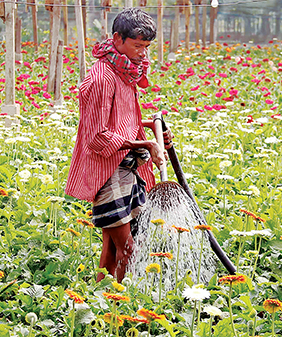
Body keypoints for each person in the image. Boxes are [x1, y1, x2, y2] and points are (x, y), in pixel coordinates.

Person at [65, 8, 172, 283]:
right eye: (137, 46)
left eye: (146, 47)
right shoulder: (102, 78)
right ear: (117, 39)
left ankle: (100, 300)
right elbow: (98, 138)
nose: (143, 54)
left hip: (125, 168)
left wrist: (152, 128)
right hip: (107, 173)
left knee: (113, 247)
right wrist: (146, 143)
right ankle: (119, 303)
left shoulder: (124, 71)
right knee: (128, 248)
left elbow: (121, 120)